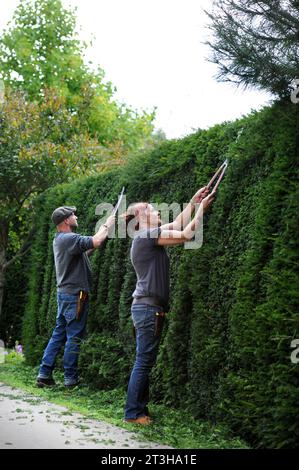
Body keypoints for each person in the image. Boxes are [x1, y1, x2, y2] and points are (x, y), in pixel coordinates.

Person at [123, 187, 215, 424]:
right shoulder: (145, 237)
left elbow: (176, 223)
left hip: (145, 308)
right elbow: (185, 234)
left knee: (144, 359)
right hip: (147, 309)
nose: (157, 212)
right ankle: (133, 413)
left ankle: (140, 410)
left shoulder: (147, 236)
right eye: (153, 210)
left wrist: (193, 202)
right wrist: (201, 211)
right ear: (143, 216)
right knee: (144, 360)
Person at [36, 206, 115, 388]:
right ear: (66, 220)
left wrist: (104, 232)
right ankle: (70, 379)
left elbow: (87, 250)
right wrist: (108, 223)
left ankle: (44, 373)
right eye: (73, 215)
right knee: (74, 336)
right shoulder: (69, 238)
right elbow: (95, 241)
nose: (76, 216)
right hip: (75, 296)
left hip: (66, 295)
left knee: (59, 334)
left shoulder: (61, 240)